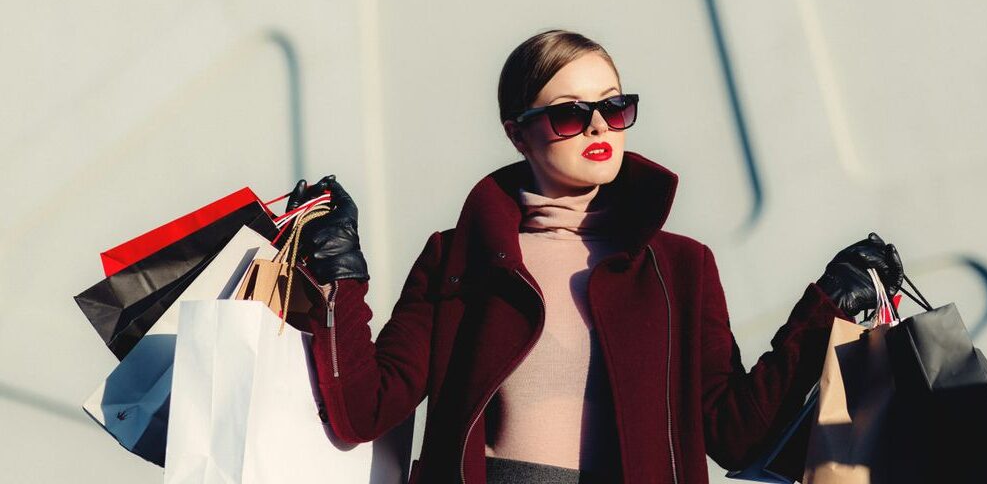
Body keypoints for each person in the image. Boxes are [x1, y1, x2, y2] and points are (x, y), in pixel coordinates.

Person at [284, 29, 903, 484]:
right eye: (568, 116)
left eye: (614, 107)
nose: (600, 128)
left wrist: (823, 310)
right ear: (516, 131)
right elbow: (363, 410)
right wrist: (339, 273)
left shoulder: (681, 268)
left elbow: (734, 436)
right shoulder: (460, 256)